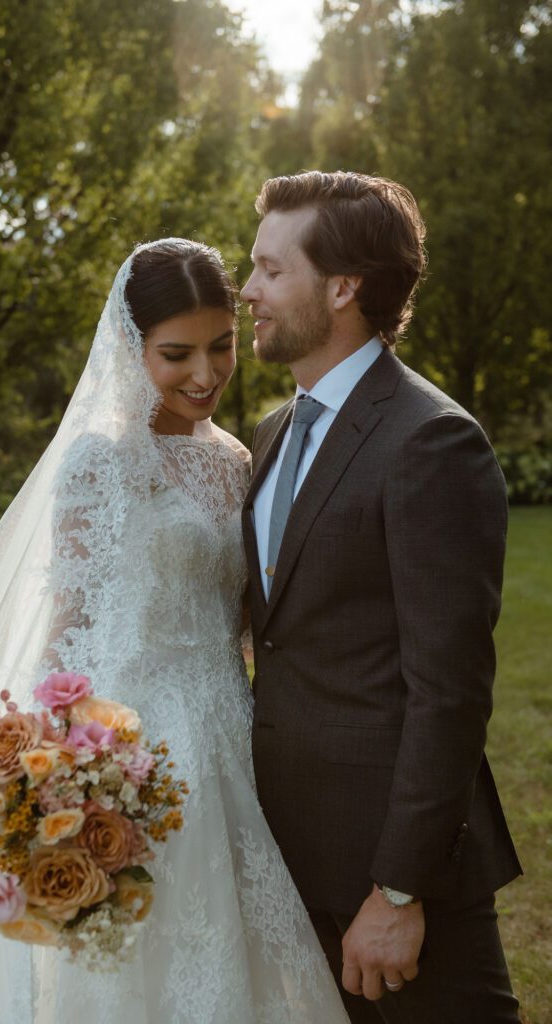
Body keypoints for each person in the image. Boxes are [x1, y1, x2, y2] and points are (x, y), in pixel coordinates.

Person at [0, 238, 349, 1023]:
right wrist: (56, 774)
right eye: (177, 353)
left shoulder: (234, 458)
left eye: (222, 346)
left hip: (231, 732)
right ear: (132, 347)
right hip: (135, 747)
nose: (205, 373)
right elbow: (71, 625)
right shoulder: (100, 462)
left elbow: (246, 613)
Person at [240, 171, 523, 1024]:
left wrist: (398, 890)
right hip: (289, 854)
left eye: (269, 269)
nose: (246, 290)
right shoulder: (273, 430)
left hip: (394, 873)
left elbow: (450, 693)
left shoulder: (430, 441)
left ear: (343, 287)